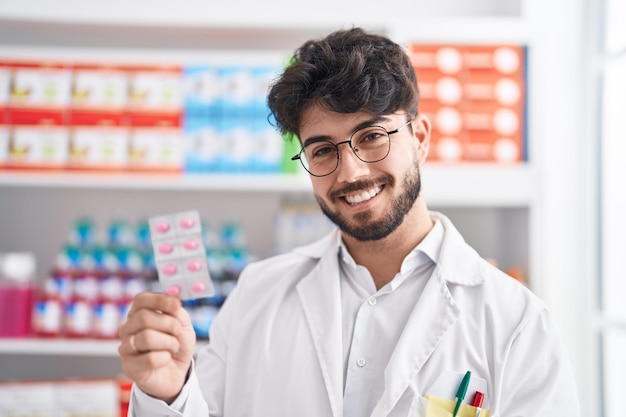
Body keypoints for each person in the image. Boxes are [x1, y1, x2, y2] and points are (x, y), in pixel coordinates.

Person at [118, 27, 581, 417]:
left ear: (419, 138)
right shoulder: (258, 295)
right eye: (322, 150)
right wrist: (169, 391)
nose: (351, 172)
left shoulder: (515, 322)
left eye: (372, 136)